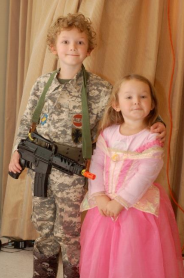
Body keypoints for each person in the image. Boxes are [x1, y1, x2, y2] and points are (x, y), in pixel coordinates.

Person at [8, 13, 166, 278]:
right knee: (43, 227)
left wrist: (157, 121)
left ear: (89, 49)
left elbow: (129, 105)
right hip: (39, 168)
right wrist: (17, 149)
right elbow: (26, 120)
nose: (72, 48)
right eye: (66, 41)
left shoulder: (100, 89)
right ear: (53, 47)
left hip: (71, 173)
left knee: (70, 234)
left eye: (80, 42)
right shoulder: (41, 84)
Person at [79, 74, 184, 278]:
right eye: (129, 97)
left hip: (136, 207)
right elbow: (98, 164)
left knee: (133, 255)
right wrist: (99, 195)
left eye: (143, 97)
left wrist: (121, 201)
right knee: (102, 253)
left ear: (152, 104)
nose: (136, 101)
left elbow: (145, 175)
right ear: (116, 105)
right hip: (105, 203)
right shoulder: (107, 134)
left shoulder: (151, 137)